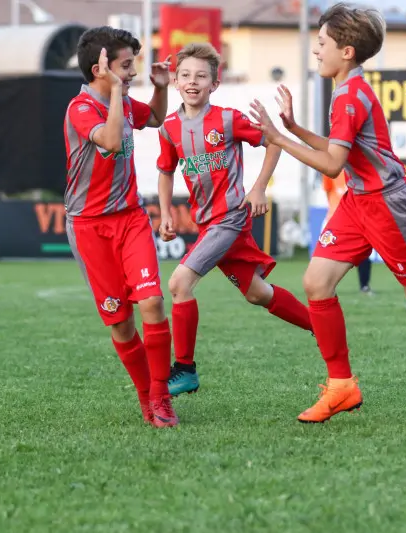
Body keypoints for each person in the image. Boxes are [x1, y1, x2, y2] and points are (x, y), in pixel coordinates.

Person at [249, 2, 406, 424]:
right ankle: (341, 385)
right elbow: (336, 151)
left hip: (387, 205)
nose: (316, 50)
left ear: (346, 51)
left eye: (322, 43)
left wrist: (277, 136)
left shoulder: (350, 95)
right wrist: (292, 129)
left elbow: (331, 165)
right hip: (358, 200)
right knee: (316, 281)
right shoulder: (347, 90)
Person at [156, 43, 314, 397]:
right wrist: (166, 213)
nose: (192, 82)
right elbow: (165, 171)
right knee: (258, 294)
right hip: (207, 224)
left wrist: (258, 189)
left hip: (230, 219)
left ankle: (185, 369)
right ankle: (321, 326)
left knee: (179, 284)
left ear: (215, 83)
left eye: (201, 76)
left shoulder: (227, 119)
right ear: (176, 82)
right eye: (185, 75)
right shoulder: (168, 128)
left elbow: (274, 141)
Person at [63, 27, 177, 427]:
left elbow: (158, 117)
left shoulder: (124, 102)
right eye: (126, 66)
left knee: (151, 303)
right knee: (121, 323)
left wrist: (160, 88)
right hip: (89, 226)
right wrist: (117, 94)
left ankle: (160, 399)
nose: (133, 73)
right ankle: (146, 397)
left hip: (130, 217)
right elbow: (111, 141)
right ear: (101, 69)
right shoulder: (81, 108)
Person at [323, 170, 374, 294]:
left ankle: (364, 285)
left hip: (359, 217)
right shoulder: (331, 168)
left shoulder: (357, 168)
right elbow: (328, 190)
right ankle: (326, 286)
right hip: (336, 217)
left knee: (363, 253)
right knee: (328, 255)